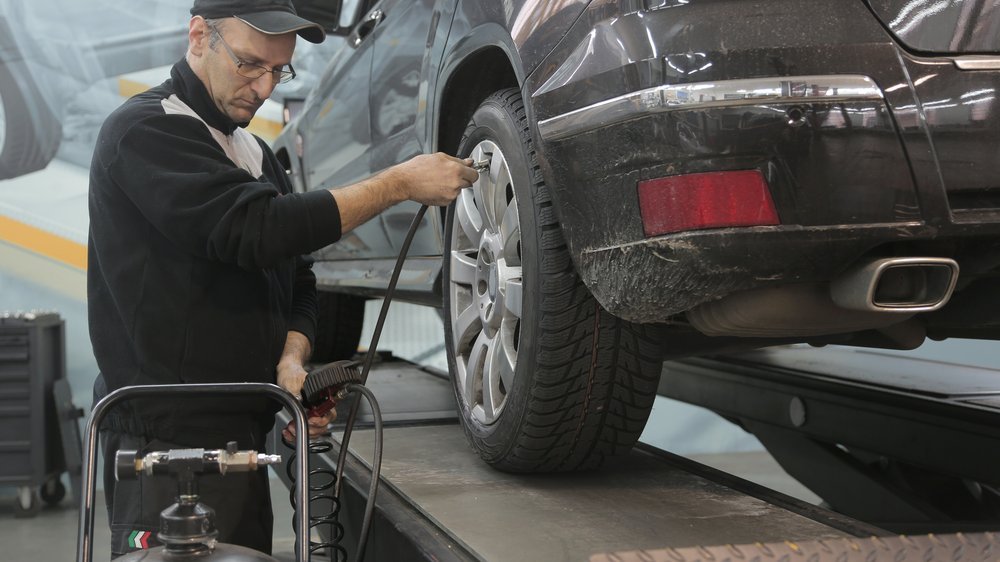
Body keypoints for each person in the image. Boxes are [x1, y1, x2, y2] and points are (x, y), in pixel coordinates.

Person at [87, 0, 477, 557]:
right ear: (199, 36)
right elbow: (255, 229)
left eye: (279, 70)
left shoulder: (254, 152)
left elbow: (297, 275)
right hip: (166, 444)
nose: (265, 87)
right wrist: (398, 183)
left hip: (241, 436)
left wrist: (290, 362)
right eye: (250, 64)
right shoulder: (147, 130)